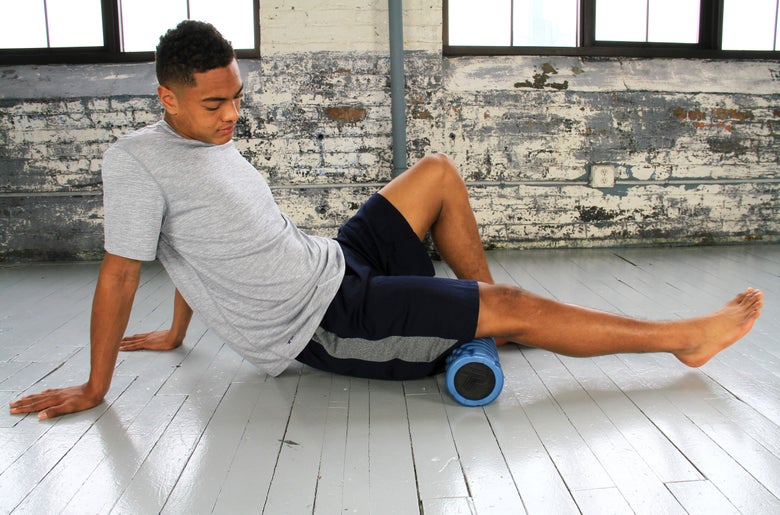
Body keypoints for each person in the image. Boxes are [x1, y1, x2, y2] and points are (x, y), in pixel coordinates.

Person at [10, 21, 763, 420]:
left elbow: (204, 244)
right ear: (166, 96)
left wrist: (178, 331)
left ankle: (487, 322)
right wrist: (94, 384)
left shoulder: (209, 140)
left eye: (236, 96)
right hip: (329, 319)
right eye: (215, 104)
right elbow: (121, 269)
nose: (233, 114)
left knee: (434, 171)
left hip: (336, 259)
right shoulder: (135, 160)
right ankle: (679, 340)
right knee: (518, 306)